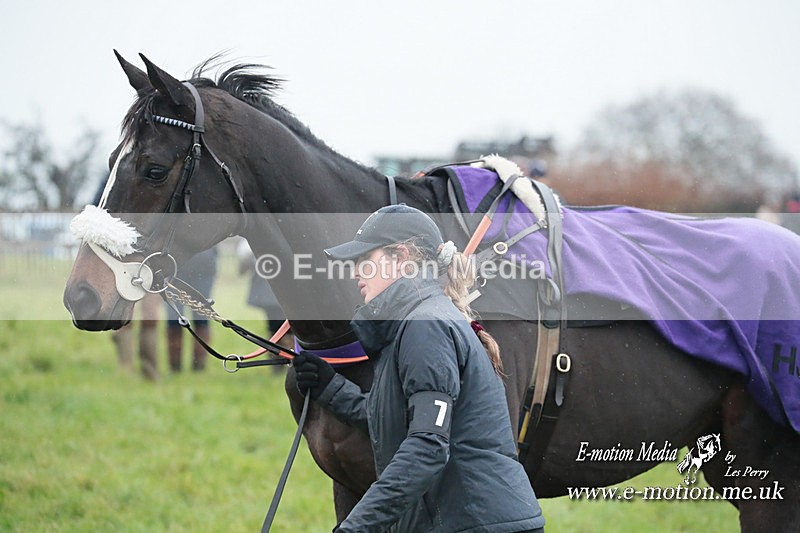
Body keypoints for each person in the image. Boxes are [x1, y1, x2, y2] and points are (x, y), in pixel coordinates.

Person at [293, 204, 545, 532]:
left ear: (401, 257)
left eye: (364, 260)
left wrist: (357, 527)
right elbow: (397, 420)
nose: (355, 271)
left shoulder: (425, 326)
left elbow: (427, 445)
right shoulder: (411, 324)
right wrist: (330, 388)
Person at [165, 247, 218, 372]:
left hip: (202, 266)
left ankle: (198, 366)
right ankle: (175, 367)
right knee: (175, 320)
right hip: (177, 267)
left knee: (201, 319)